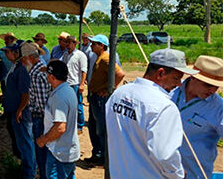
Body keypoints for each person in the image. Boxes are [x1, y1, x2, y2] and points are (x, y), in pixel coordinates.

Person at [106, 48, 195, 179]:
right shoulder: (164, 106)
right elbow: (165, 155)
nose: (178, 84)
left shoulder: (119, 93)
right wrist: (178, 174)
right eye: (176, 78)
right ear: (161, 73)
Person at [171, 55, 223, 179]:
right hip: (157, 170)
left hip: (193, 174)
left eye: (216, 86)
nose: (213, 90)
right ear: (193, 77)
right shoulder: (171, 91)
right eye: (208, 85)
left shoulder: (219, 107)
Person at [85, 34, 125, 167]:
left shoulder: (106, 58)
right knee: (94, 125)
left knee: (100, 128)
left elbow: (120, 74)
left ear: (101, 46)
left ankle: (103, 156)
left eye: (94, 43)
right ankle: (98, 153)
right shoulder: (100, 58)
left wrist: (109, 89)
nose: (91, 45)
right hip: (95, 96)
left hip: (100, 98)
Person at [36, 60, 80, 179]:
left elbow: (60, 128)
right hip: (66, 150)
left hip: (59, 153)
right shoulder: (68, 90)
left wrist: (43, 140)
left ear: (51, 76)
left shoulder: (59, 96)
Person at [3, 41, 35, 178]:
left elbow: (25, 94)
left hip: (21, 113)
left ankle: (29, 173)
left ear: (16, 53)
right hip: (16, 111)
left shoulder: (21, 70)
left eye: (8, 52)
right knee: (22, 142)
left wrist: (20, 110)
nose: (6, 54)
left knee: (26, 142)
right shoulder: (15, 67)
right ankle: (26, 169)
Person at [22, 42, 50, 179]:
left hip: (40, 117)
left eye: (24, 58)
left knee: (41, 154)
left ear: (30, 58)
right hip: (43, 116)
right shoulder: (41, 69)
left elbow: (41, 102)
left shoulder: (36, 73)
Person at [61, 36, 87, 131]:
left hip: (75, 84)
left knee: (78, 105)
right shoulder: (65, 55)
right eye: (66, 42)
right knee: (68, 105)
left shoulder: (80, 55)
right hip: (66, 83)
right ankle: (70, 124)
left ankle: (80, 125)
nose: (67, 44)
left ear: (74, 43)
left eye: (69, 42)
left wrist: (81, 84)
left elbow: (84, 71)